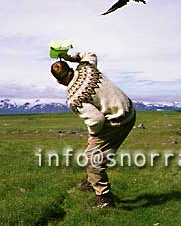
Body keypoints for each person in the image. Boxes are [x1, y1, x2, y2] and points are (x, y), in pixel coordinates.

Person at [50, 51, 136, 208]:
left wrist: (92, 135)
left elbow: (96, 120)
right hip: (129, 110)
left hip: (118, 121)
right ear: (70, 67)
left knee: (91, 158)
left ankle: (104, 199)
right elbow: (90, 54)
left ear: (58, 81)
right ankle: (94, 181)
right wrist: (70, 56)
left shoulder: (74, 98)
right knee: (99, 154)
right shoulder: (86, 68)